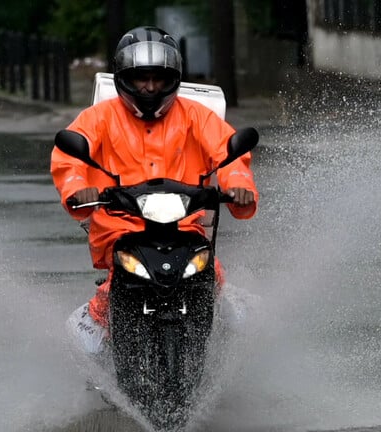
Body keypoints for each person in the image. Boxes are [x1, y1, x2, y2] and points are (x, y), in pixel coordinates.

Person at [51, 26, 258, 353]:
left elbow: (229, 153)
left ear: (173, 78)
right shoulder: (98, 118)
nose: (149, 87)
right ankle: (97, 321)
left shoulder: (197, 117)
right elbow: (69, 157)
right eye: (140, 78)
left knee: (212, 274)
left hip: (183, 224)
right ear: (123, 78)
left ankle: (216, 313)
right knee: (98, 320)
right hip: (119, 227)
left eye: (158, 79)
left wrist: (239, 186)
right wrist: (79, 189)